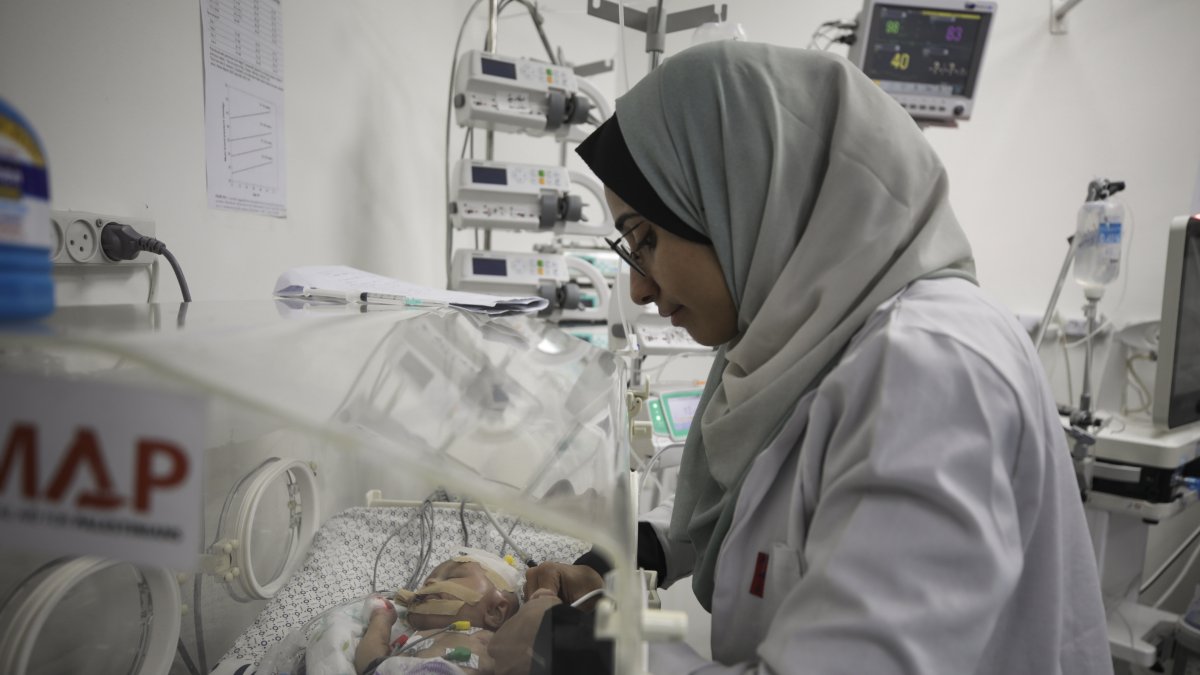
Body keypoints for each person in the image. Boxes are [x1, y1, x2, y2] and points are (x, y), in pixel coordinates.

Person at [517, 40, 1114, 674]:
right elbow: (770, 494)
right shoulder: (799, 343)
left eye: (645, 239)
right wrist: (641, 550)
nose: (637, 286)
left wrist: (585, 653)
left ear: (738, 197)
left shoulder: (932, 368)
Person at [354, 549, 523, 675]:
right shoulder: (409, 641)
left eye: (451, 577)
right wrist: (381, 620)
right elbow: (370, 666)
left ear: (495, 612)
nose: (430, 583)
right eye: (425, 583)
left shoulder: (493, 644)